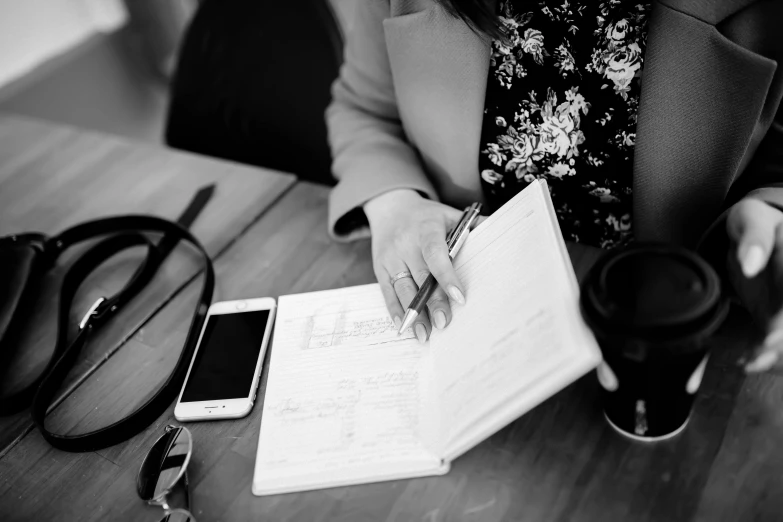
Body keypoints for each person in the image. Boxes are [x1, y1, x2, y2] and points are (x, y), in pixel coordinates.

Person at [325, 0, 783, 372]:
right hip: (478, 315)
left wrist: (770, 208)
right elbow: (365, 110)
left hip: (673, 336)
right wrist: (394, 203)